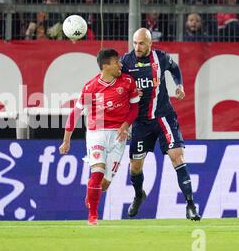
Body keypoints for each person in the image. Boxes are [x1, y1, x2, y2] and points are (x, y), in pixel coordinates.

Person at [120, 28, 201, 221]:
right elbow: (118, 87)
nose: (137, 47)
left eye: (141, 43)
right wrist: (128, 95)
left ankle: (190, 205)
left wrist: (179, 84)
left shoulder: (161, 58)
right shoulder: (125, 62)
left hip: (164, 116)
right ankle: (139, 195)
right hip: (140, 122)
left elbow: (175, 68)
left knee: (177, 157)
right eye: (134, 43)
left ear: (150, 44)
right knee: (135, 167)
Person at [59, 48, 140, 225]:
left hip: (119, 135)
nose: (120, 64)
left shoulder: (127, 82)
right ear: (106, 66)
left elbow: (134, 108)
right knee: (97, 172)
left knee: (104, 184)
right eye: (116, 61)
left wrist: (126, 125)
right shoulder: (91, 87)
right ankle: (93, 216)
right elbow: (76, 113)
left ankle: (92, 193)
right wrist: (66, 140)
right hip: (97, 132)